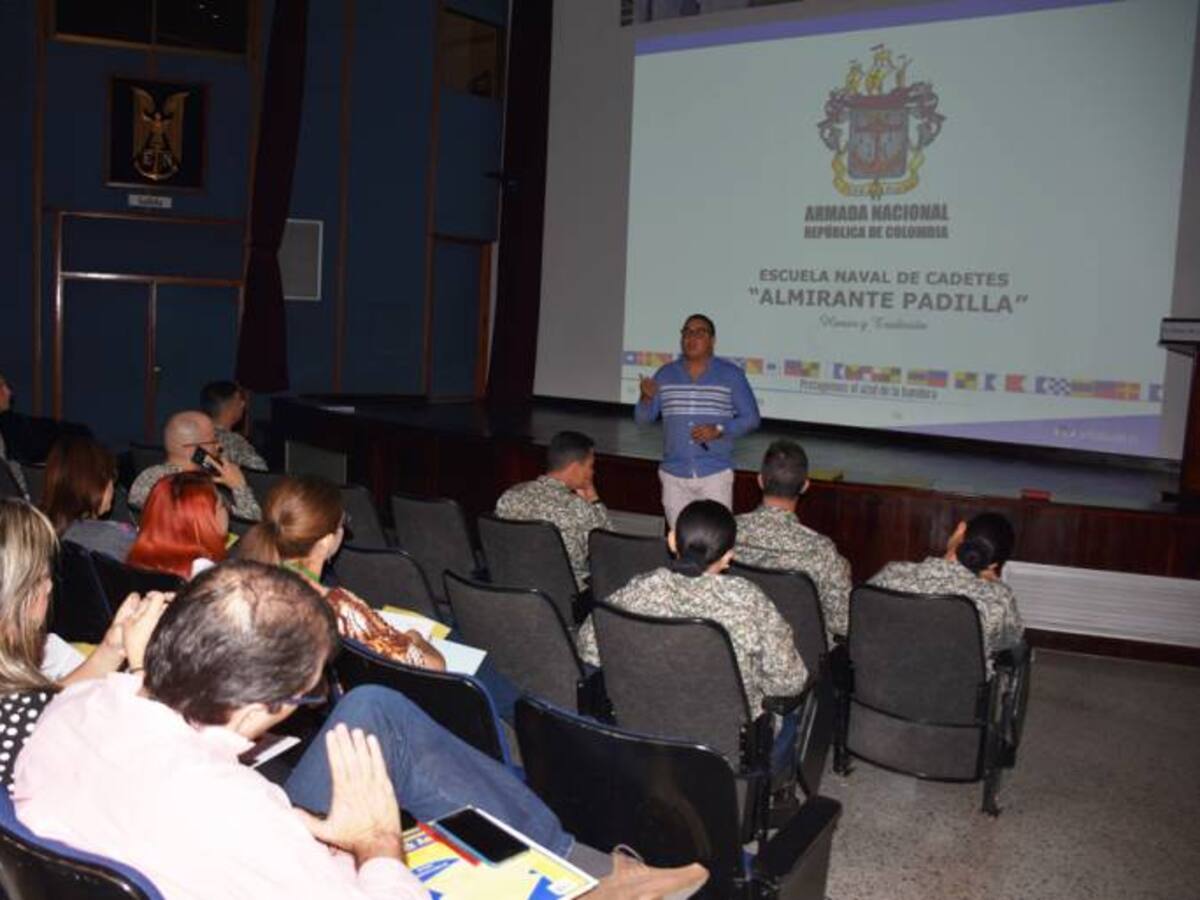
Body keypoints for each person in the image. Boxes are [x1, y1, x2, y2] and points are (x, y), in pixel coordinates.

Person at [13, 560, 707, 899]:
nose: (314, 696)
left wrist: (311, 828)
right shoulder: (240, 811)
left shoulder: (75, 707)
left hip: (162, 835)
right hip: (220, 847)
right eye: (310, 687)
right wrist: (376, 845)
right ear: (262, 708)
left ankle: (579, 862)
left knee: (372, 711)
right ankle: (594, 886)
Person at [577, 499, 806, 720]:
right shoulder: (749, 601)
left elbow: (588, 646)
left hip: (643, 728)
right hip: (727, 745)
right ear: (728, 557)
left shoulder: (639, 589)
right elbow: (789, 683)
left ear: (672, 540)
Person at [0, 498, 167, 788]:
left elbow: (48, 704)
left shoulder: (21, 708)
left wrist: (112, 648)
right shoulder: (29, 721)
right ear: (15, 594)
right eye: (40, 578)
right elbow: (153, 755)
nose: (50, 586)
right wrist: (143, 666)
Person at [236, 475, 445, 671]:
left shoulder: (240, 584)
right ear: (326, 542)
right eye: (341, 523)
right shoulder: (339, 608)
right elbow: (433, 666)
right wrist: (416, 638)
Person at [634, 314, 760, 527]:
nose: (691, 337)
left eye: (699, 332)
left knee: (715, 542)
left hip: (715, 474)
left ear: (712, 340)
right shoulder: (665, 374)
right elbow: (643, 419)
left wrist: (719, 430)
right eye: (687, 332)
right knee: (680, 545)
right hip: (674, 475)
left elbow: (752, 418)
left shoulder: (731, 375)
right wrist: (646, 397)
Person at [868, 512, 1025, 672]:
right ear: (992, 566)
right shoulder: (999, 599)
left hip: (877, 687)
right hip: (958, 694)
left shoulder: (893, 574)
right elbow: (1008, 641)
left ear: (960, 530)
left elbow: (861, 615)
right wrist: (996, 584)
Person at [734, 440, 852, 639]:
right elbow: (842, 623)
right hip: (801, 655)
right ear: (805, 486)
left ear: (760, 481)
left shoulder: (727, 532)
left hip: (738, 645)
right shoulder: (821, 551)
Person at [494, 430, 612, 590]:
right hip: (563, 600)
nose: (592, 473)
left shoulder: (509, 496)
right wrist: (593, 499)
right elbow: (609, 549)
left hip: (510, 589)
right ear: (575, 468)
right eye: (590, 466)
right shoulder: (579, 509)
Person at [129, 410, 260, 521]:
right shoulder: (200, 491)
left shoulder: (145, 476)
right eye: (213, 441)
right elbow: (250, 528)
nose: (218, 446)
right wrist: (239, 487)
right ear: (195, 450)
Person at [39, 435, 135, 562]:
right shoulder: (116, 539)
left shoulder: (36, 531)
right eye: (111, 477)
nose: (113, 487)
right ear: (93, 484)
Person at [127, 473, 229, 579]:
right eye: (222, 505)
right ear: (205, 519)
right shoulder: (206, 574)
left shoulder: (136, 557)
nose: (227, 510)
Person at [200, 380, 268, 471]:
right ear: (233, 404)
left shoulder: (192, 437)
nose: (243, 404)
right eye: (240, 399)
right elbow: (261, 471)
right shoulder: (234, 442)